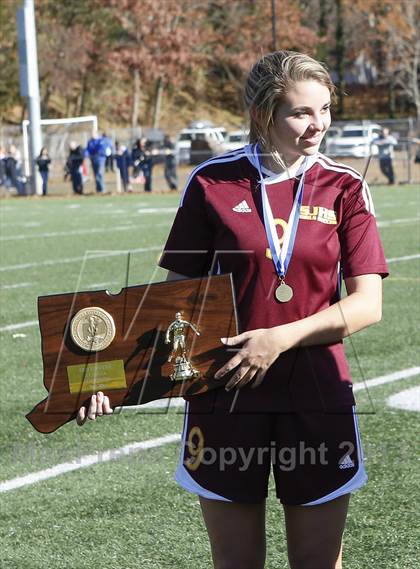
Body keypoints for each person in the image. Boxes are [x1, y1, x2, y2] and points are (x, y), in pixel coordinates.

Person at [76, 50, 388, 569]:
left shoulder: (346, 186)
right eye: (301, 112)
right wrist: (107, 376)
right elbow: (174, 303)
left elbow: (366, 305)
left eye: (325, 109)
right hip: (224, 393)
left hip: (316, 396)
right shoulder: (211, 182)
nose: (319, 125)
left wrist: (279, 338)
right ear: (263, 113)